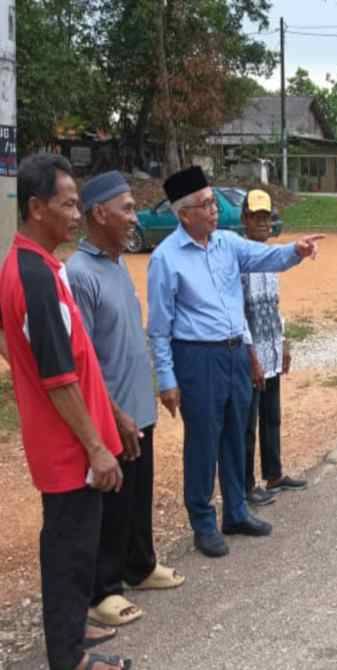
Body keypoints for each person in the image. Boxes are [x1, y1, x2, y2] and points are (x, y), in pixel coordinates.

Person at [146, 166, 323, 558]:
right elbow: (159, 328)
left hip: (235, 353)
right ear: (184, 213)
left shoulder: (227, 244)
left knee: (235, 434)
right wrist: (167, 379)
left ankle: (237, 511)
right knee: (203, 442)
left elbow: (268, 257)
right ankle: (203, 522)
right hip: (197, 358)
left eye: (213, 202)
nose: (214, 210)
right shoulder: (165, 259)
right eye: (206, 204)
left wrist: (297, 250)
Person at [0, 153, 132, 670]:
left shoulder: (33, 265)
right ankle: (69, 658)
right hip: (68, 449)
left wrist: (112, 414)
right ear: (37, 208)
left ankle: (72, 628)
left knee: (74, 544)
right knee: (69, 550)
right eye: (69, 204)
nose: (78, 214)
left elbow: (28, 349)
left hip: (69, 438)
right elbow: (57, 376)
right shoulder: (32, 275)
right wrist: (96, 448)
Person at [67, 171, 186, 630]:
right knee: (111, 503)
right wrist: (111, 414)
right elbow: (82, 358)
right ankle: (103, 589)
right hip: (108, 412)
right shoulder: (80, 274)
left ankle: (140, 564)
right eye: (128, 208)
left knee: (138, 492)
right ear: (100, 213)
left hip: (137, 406)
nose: (135, 218)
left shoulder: (117, 263)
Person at [241, 190, 307, 508]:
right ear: (245, 220)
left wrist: (284, 343)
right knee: (247, 423)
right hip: (250, 356)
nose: (263, 223)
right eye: (257, 217)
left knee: (272, 416)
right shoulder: (240, 261)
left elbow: (275, 306)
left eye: (267, 216)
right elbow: (237, 314)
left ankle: (274, 473)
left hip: (270, 350)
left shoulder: (270, 260)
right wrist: (250, 355)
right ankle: (246, 484)